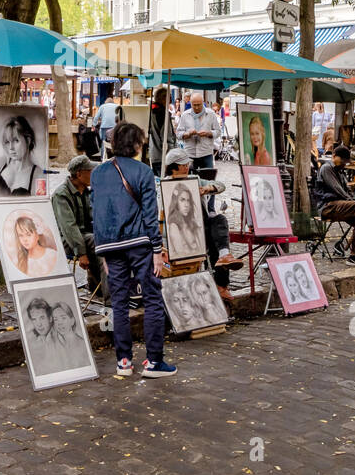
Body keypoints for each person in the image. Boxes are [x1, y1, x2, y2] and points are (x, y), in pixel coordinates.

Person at [91, 123, 175, 378]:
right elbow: (150, 214)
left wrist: (103, 251)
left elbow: (96, 213)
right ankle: (153, 361)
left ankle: (124, 361)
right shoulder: (143, 171)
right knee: (152, 299)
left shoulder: (98, 173)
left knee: (119, 303)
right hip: (139, 243)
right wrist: (157, 249)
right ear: (137, 145)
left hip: (110, 245)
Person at [163, 149, 240, 304]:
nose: (187, 166)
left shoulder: (195, 179)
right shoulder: (163, 185)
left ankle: (225, 257)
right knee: (213, 244)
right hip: (181, 234)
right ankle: (221, 285)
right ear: (174, 167)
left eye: (187, 164)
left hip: (201, 227)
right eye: (184, 164)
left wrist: (208, 189)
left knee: (219, 220)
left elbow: (220, 185)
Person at [51, 155, 104, 296]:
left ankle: (98, 287)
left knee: (106, 241)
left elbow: (95, 218)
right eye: (91, 171)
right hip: (67, 241)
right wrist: (81, 253)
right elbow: (69, 228)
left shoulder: (87, 192)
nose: (94, 174)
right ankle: (110, 296)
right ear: (79, 174)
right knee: (96, 241)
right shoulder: (61, 195)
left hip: (85, 236)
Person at [0, 114, 42, 195]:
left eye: (16, 141)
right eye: (7, 142)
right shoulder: (1, 167)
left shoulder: (39, 174)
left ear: (28, 140)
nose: (11, 148)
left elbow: (40, 204)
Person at [176, 93, 220, 173]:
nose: (196, 107)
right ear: (191, 103)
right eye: (194, 105)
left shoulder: (210, 114)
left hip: (206, 153)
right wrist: (188, 133)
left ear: (203, 102)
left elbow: (218, 132)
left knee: (208, 179)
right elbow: (178, 134)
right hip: (190, 153)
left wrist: (208, 133)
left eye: (199, 105)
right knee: (190, 181)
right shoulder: (185, 115)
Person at [147, 86, 176, 176]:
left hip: (153, 154)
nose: (171, 100)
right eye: (169, 97)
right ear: (163, 98)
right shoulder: (163, 114)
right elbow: (167, 137)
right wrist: (173, 155)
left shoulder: (151, 111)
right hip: (163, 156)